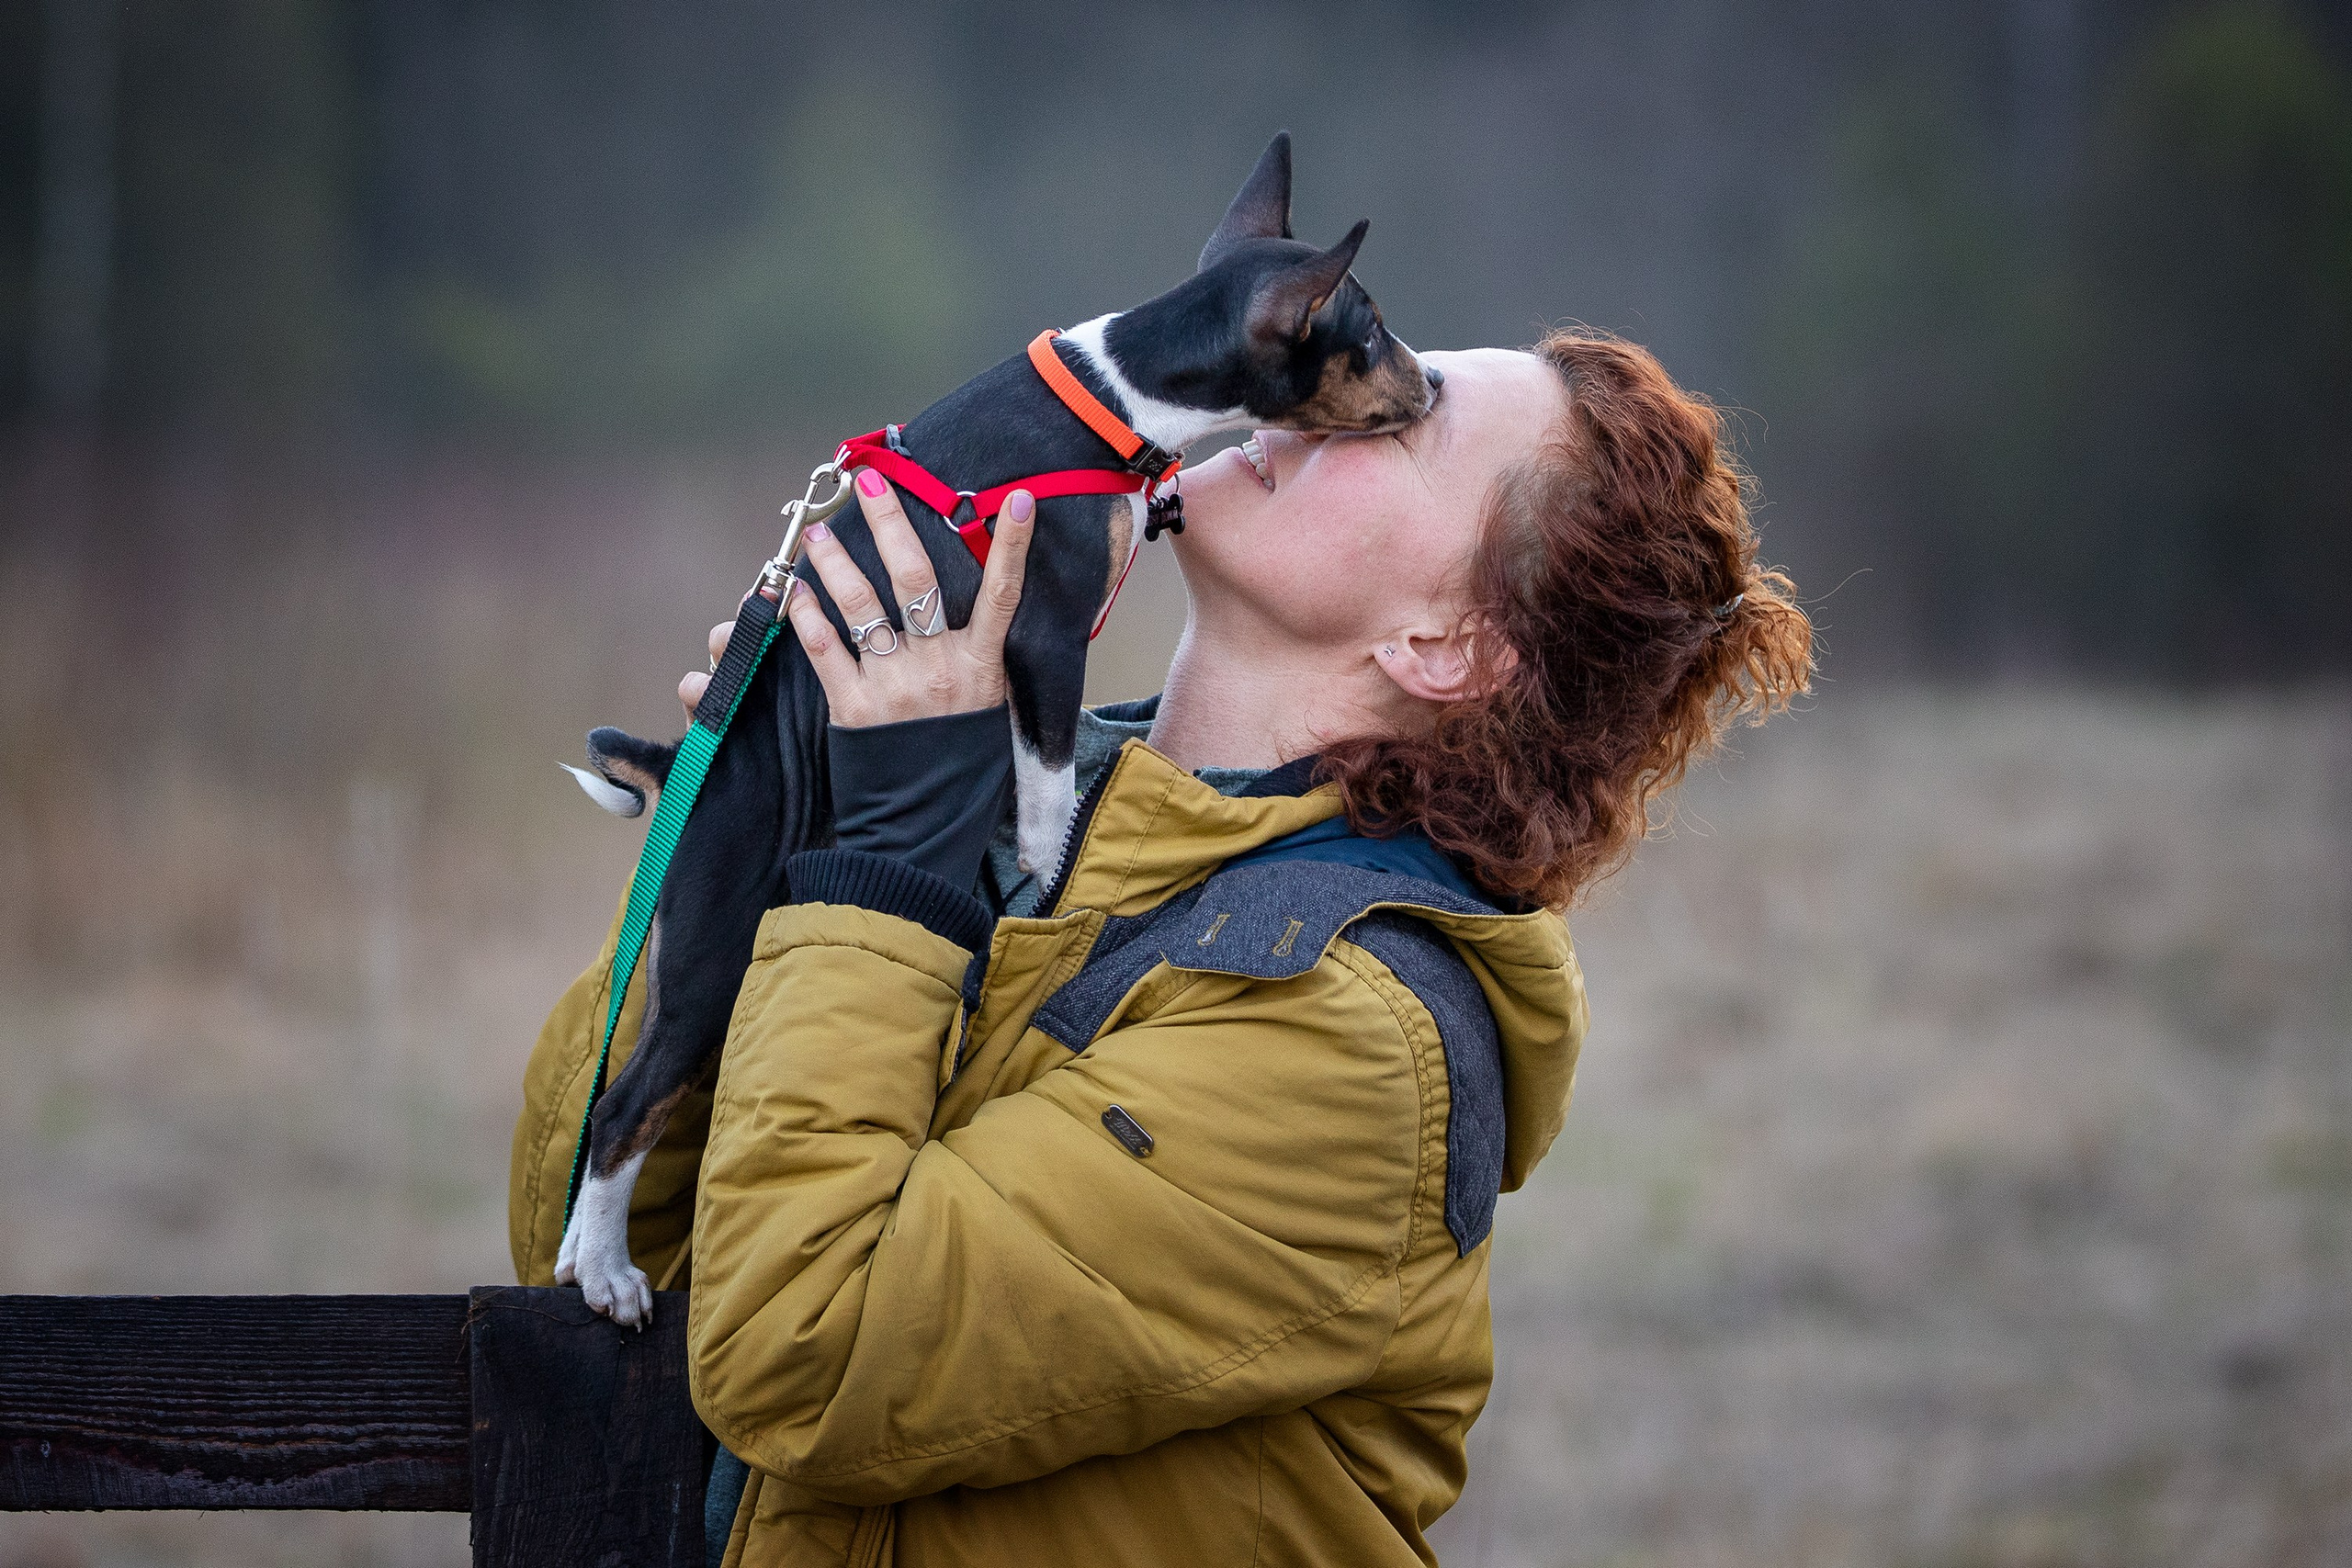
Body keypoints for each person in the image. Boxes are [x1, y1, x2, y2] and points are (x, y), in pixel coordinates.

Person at [509, 328, 1813, 1567]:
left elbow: (801, 1353)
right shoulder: (1023, 828)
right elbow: (589, 1253)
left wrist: (878, 873)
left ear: (1445, 646)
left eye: (1407, 422)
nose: (1317, 386)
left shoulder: (1355, 1050)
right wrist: (770, 835)